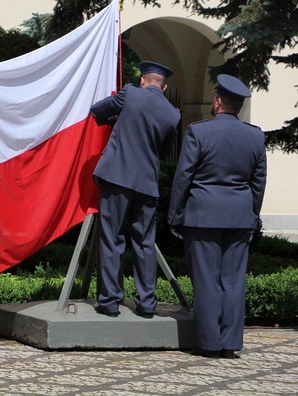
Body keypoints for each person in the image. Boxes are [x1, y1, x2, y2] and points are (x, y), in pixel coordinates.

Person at [168, 74, 266, 359]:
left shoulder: (199, 132)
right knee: (233, 281)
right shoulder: (255, 135)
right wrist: (252, 214)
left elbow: (183, 176)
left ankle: (209, 343)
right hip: (239, 216)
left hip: (203, 216)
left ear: (219, 101)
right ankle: (229, 343)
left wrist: (175, 213)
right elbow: (258, 182)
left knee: (207, 279)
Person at [90, 61, 181, 318]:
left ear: (143, 80)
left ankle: (109, 301)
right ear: (164, 88)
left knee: (112, 238)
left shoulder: (130, 93)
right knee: (144, 243)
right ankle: (146, 303)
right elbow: (163, 151)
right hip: (148, 184)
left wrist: (119, 116)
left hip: (117, 177)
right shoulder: (173, 114)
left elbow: (97, 111)